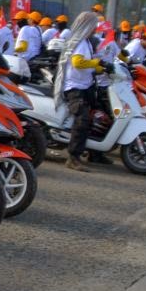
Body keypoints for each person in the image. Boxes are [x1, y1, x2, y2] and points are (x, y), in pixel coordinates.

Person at [53, 11, 107, 172]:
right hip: (74, 87)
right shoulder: (79, 42)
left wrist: (101, 68)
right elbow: (78, 62)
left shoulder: (86, 42)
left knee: (99, 116)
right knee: (82, 120)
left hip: (85, 85)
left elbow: (87, 64)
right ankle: (73, 157)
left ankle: (95, 153)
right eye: (93, 25)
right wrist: (96, 63)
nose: (95, 29)